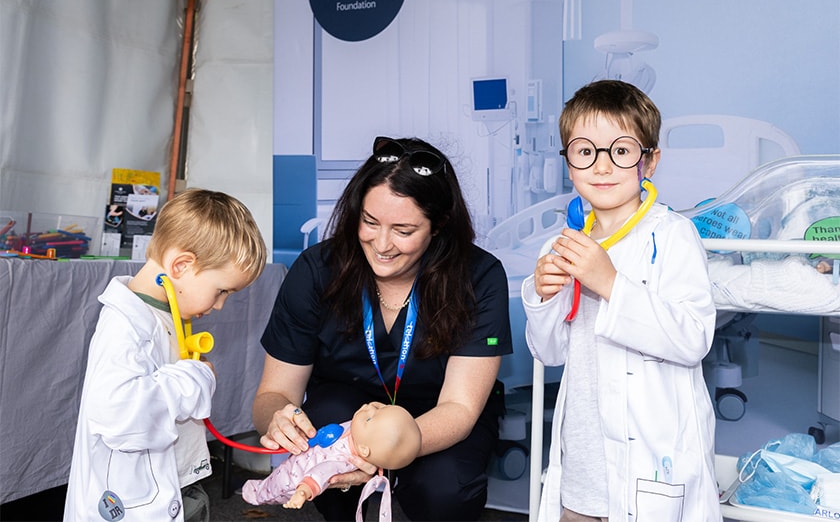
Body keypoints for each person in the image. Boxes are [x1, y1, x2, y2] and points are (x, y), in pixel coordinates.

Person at [252, 136, 512, 521]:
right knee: (325, 413)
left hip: (437, 417)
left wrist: (385, 450)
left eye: (404, 230)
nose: (382, 244)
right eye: (370, 223)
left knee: (446, 489)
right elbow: (273, 394)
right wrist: (279, 419)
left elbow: (459, 408)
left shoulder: (479, 277)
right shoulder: (317, 270)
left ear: (438, 225)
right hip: (348, 416)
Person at [523, 80, 722, 522]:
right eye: (585, 151)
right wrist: (543, 295)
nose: (602, 166)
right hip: (583, 461)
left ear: (649, 161)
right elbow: (550, 352)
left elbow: (692, 338)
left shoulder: (672, 236)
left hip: (653, 459)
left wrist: (610, 283)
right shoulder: (561, 247)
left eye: (621, 151)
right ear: (569, 164)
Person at [64, 188, 267, 522]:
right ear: (181, 265)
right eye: (221, 291)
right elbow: (116, 411)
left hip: (174, 482)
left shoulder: (166, 316)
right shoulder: (124, 324)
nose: (219, 305)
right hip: (132, 504)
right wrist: (193, 378)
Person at [242, 402, 421, 512]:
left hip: (294, 479)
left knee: (272, 488)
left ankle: (255, 494)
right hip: (299, 459)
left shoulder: (343, 459)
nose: (368, 408)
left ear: (364, 451)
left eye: (369, 418)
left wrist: (304, 491)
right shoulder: (364, 434)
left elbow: (321, 473)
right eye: (378, 409)